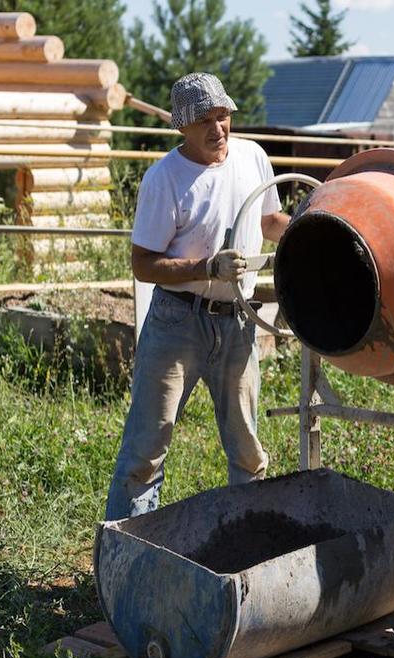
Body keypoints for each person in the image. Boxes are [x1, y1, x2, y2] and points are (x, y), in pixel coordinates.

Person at [104, 73, 290, 520]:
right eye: (204, 120)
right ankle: (125, 562)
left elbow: (269, 222)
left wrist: (311, 231)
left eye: (223, 115)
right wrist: (206, 267)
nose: (217, 128)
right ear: (182, 127)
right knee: (146, 451)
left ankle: (246, 547)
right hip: (177, 323)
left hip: (238, 319)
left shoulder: (252, 158)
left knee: (247, 449)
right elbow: (143, 264)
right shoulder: (165, 179)